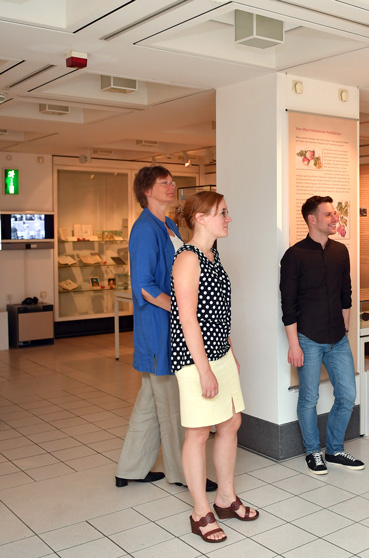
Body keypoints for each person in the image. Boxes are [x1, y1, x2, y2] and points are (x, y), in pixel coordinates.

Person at [115, 166, 216, 493]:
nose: (172, 186)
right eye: (165, 183)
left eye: (173, 181)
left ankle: (130, 467)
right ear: (147, 190)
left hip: (171, 326)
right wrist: (183, 308)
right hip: (160, 330)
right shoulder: (144, 229)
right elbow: (144, 286)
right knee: (172, 404)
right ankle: (182, 473)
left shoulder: (169, 224)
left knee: (150, 400)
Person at [171, 191, 258, 544]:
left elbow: (219, 313)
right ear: (201, 218)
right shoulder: (188, 259)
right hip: (195, 359)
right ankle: (199, 511)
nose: (228, 218)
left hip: (219, 354)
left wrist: (229, 352)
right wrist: (205, 368)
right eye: (222, 213)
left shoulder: (212, 254)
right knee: (197, 431)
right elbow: (188, 319)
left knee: (230, 422)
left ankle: (225, 497)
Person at [280, 196, 364, 475]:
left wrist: (346, 328)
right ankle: (313, 452)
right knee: (309, 397)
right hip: (308, 338)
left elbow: (345, 294)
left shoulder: (341, 251)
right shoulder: (294, 256)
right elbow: (288, 305)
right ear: (312, 219)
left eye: (334, 214)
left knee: (348, 393)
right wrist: (294, 344)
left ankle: (336, 449)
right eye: (328, 215)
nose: (334, 218)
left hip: (338, 338)